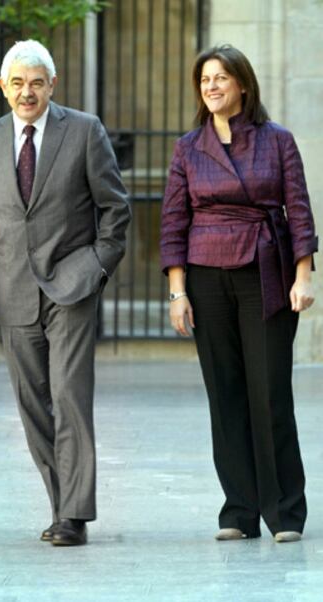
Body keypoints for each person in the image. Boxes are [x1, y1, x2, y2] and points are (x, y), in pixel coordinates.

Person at [0, 40, 131, 546]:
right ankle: (62, 506)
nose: (26, 92)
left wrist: (95, 267)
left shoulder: (82, 130)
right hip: (13, 291)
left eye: (36, 82)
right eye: (17, 83)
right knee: (34, 406)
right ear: (3, 87)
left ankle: (73, 517)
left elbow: (115, 210)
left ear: (52, 85)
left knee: (69, 398)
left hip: (71, 289)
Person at [160, 44, 318, 543]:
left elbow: (299, 211)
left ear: (243, 85)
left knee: (269, 392)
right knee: (225, 395)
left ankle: (285, 512)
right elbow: (173, 222)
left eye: (221, 77)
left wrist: (304, 275)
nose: (211, 86)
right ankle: (239, 510)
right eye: (205, 79)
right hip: (206, 278)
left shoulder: (278, 141)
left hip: (265, 272)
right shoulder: (188, 148)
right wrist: (177, 293)